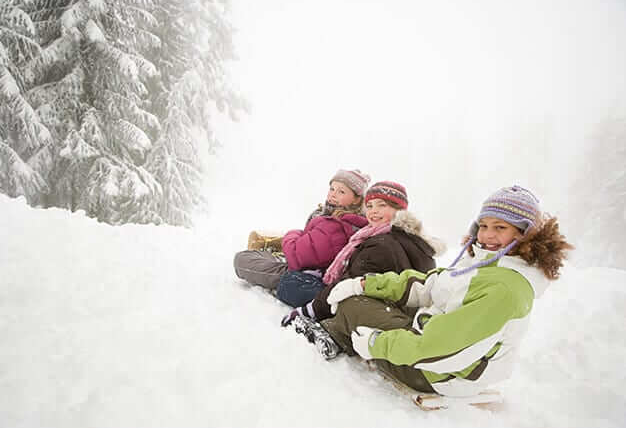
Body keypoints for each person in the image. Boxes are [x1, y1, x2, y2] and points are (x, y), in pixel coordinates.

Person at [323, 185, 574, 397]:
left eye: (500, 228)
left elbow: (442, 349)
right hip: (435, 342)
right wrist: (367, 284)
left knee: (355, 306)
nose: (487, 235)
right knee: (369, 297)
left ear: (525, 233)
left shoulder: (504, 287)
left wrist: (377, 343)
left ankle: (338, 334)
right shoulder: (485, 262)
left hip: (441, 372)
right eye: (484, 226)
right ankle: (349, 326)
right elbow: (432, 285)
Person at [281, 181, 445, 327]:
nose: (374, 211)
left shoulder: (382, 242)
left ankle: (334, 328)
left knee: (290, 283)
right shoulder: (407, 237)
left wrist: (310, 310)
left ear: (399, 210)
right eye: (370, 206)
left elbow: (349, 282)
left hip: (376, 308)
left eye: (382, 205)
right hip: (392, 303)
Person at [233, 169, 370, 297]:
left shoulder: (337, 225)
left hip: (305, 274)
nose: (333, 194)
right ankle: (274, 251)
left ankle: (274, 252)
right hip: (311, 263)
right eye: (332, 189)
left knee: (242, 260)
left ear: (357, 199)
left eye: (341, 192)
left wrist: (293, 234)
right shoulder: (345, 219)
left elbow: (296, 258)